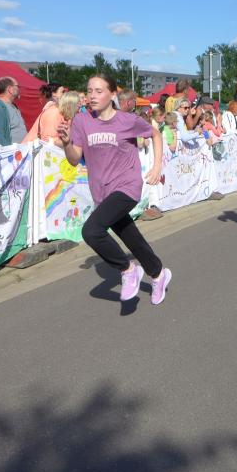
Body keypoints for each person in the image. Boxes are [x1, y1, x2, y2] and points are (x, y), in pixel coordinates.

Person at [57, 74, 171, 304]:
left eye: (99, 91)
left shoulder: (127, 120)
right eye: (90, 90)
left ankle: (128, 270)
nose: (92, 96)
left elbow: (155, 134)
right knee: (130, 236)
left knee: (91, 231)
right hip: (102, 192)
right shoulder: (81, 121)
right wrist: (67, 143)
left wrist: (157, 165)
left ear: (112, 94)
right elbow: (74, 159)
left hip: (127, 186)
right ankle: (158, 273)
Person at [0, 76, 27, 148]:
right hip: (10, 153)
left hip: (20, 151)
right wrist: (11, 151)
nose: (19, 89)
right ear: (10, 89)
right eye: (17, 86)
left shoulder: (13, 106)